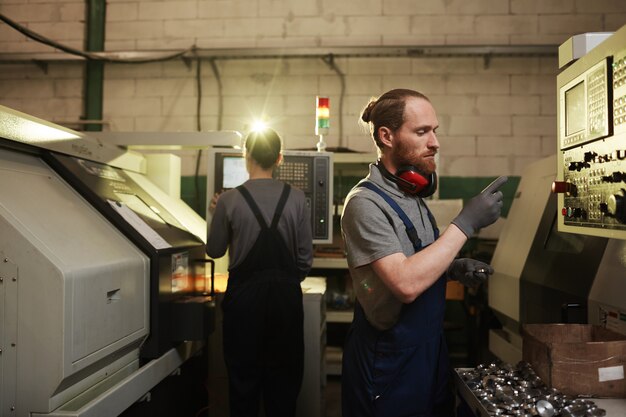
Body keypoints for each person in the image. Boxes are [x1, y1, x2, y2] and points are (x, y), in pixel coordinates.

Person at [340, 88, 507, 417]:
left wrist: (452, 269)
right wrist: (465, 224)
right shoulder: (365, 204)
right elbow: (404, 283)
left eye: (435, 131)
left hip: (429, 351)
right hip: (388, 360)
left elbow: (416, 259)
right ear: (387, 136)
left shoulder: (411, 196)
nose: (435, 142)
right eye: (421, 132)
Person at [206, 128, 313, 417]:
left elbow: (214, 250)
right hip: (286, 300)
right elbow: (305, 259)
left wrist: (214, 213)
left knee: (243, 380)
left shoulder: (228, 201)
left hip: (244, 300)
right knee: (284, 379)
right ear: (279, 158)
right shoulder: (297, 198)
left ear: (246, 156)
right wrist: (288, 282)